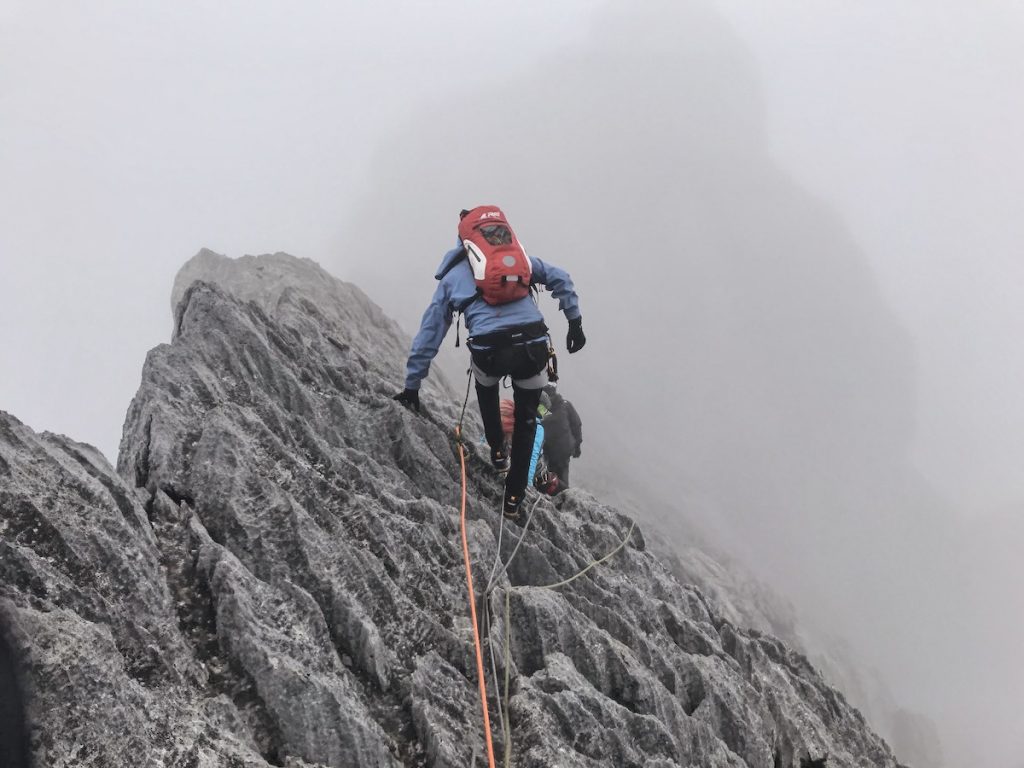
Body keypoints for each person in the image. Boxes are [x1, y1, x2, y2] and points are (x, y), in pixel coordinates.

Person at [394, 205, 586, 519]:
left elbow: (430, 332)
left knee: (486, 387)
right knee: (525, 423)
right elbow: (561, 278)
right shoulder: (520, 261)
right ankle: (513, 501)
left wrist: (412, 386)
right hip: (532, 345)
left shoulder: (454, 275)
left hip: (490, 350)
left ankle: (497, 452)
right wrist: (574, 322)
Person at [540, 383, 582, 489]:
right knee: (561, 477)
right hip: (564, 450)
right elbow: (576, 425)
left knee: (548, 477)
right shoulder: (565, 405)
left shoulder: (541, 407)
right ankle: (563, 496)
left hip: (548, 449)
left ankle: (553, 494)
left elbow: (539, 423)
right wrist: (577, 446)